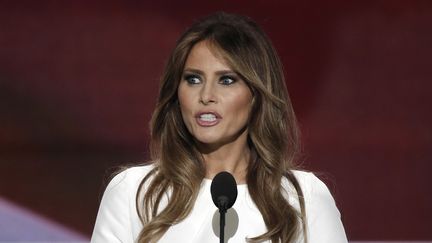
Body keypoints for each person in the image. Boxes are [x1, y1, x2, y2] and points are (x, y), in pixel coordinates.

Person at [91, 12, 348, 243]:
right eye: (193, 79)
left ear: (256, 94)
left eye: (226, 80)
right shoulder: (134, 192)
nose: (206, 95)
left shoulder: (303, 198)